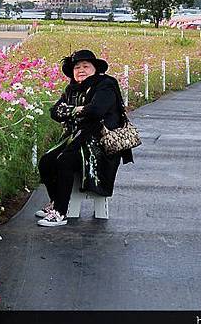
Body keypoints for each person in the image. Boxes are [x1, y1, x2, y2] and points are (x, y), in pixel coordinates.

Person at [36, 49, 133, 227]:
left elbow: (96, 110)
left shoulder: (105, 85)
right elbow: (55, 113)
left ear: (95, 68)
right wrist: (78, 110)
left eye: (86, 66)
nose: (80, 70)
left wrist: (70, 111)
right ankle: (56, 202)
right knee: (46, 161)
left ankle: (60, 213)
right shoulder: (71, 89)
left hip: (101, 145)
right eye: (77, 67)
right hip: (77, 139)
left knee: (64, 161)